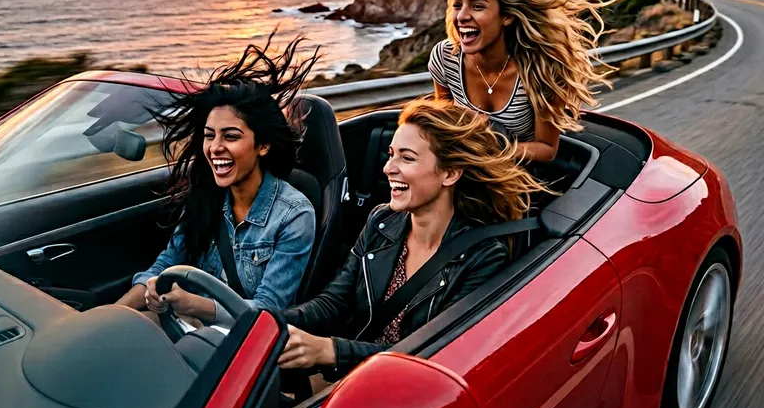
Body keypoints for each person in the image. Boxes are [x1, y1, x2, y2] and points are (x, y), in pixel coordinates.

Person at [278, 98, 544, 379]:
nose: (388, 168)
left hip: (409, 385)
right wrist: (271, 321)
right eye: (391, 154)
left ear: (450, 173)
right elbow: (333, 301)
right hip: (354, 375)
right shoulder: (381, 221)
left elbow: (434, 352)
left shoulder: (483, 256)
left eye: (407, 158)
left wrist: (330, 351)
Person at [116, 36, 318, 325]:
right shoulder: (204, 195)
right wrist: (112, 313)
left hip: (247, 338)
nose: (215, 148)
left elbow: (267, 310)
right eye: (209, 135)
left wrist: (194, 305)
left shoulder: (294, 214)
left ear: (262, 145)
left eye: (231, 136)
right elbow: (165, 264)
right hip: (190, 324)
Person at [428, 0, 609, 162]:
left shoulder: (541, 67)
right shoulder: (445, 58)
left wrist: (488, 154)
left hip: (522, 175)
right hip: (465, 171)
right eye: (457, 5)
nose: (461, 16)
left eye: (477, 6)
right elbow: (446, 128)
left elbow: (547, 149)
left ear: (507, 15)